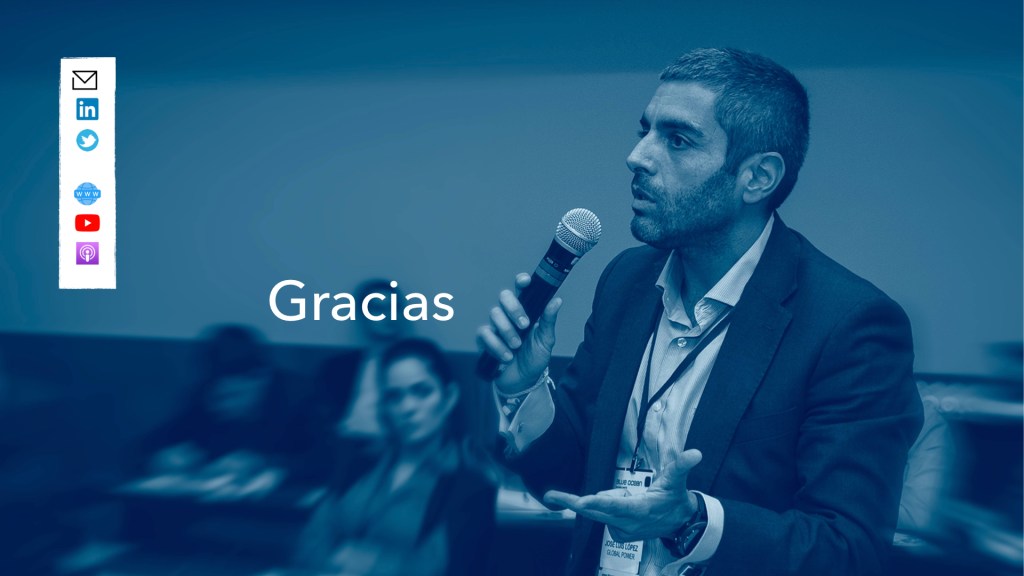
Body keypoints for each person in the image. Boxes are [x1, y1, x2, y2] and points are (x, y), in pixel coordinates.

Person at [478, 48, 923, 576]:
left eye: (678, 140)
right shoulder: (627, 281)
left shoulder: (849, 324)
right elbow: (573, 478)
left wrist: (691, 522)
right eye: (644, 131)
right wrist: (525, 387)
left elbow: (849, 549)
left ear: (757, 177)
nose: (638, 157)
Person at [295, 338, 497, 576]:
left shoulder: (469, 481)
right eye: (394, 396)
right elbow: (309, 543)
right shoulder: (358, 464)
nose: (407, 407)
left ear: (449, 397)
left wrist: (367, 561)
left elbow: (438, 569)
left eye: (422, 392)